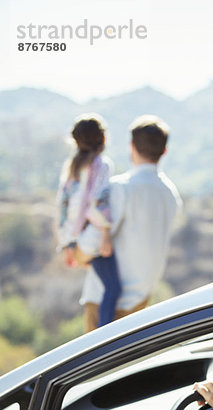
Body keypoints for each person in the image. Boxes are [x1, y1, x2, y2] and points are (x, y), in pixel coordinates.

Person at [81, 114, 182, 333]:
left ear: (131, 146)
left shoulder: (120, 187)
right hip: (141, 303)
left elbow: (91, 242)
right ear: (164, 151)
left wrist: (77, 253)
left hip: (104, 304)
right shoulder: (170, 194)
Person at [57, 114, 121, 328]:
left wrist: (66, 243)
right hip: (92, 238)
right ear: (103, 139)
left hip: (75, 242)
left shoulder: (72, 167)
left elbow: (63, 206)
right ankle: (105, 339)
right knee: (113, 289)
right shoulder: (101, 165)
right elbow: (97, 202)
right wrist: (105, 235)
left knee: (105, 287)